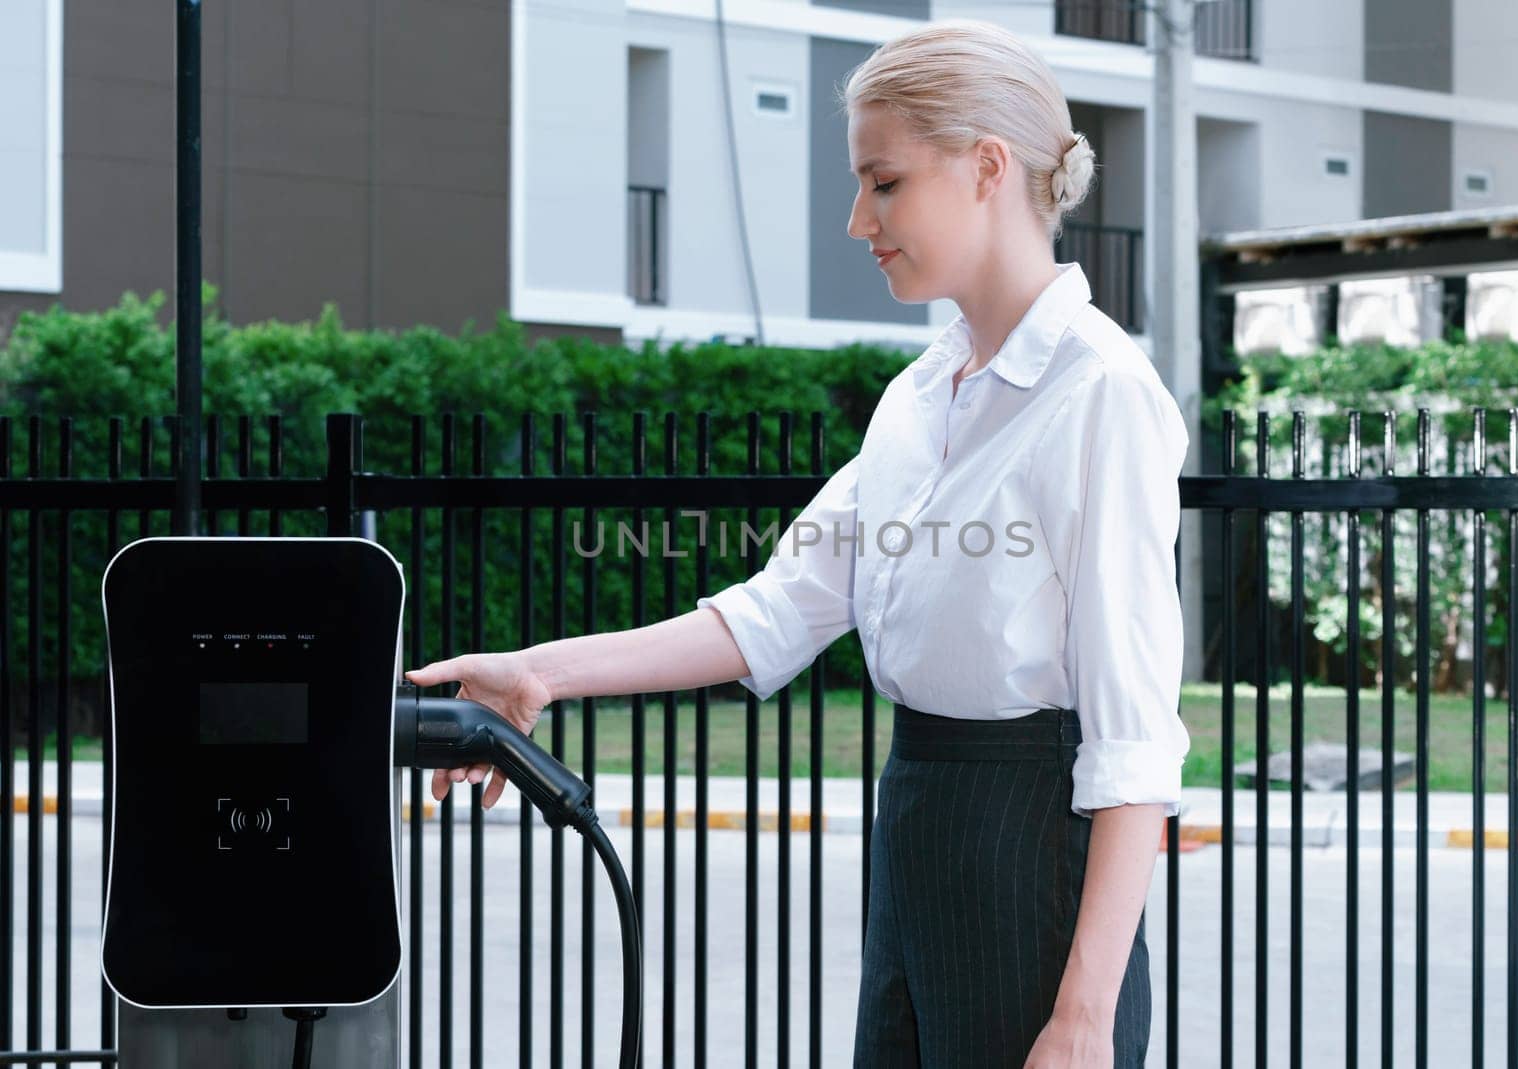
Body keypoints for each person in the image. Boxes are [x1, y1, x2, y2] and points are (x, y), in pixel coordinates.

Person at [404, 17, 1189, 1069]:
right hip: (918, 832)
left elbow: (1135, 736)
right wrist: (540, 674)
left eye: (884, 181)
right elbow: (779, 607)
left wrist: (1084, 1016)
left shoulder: (1101, 392)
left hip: (1033, 865)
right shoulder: (920, 397)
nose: (858, 218)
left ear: (987, 167)